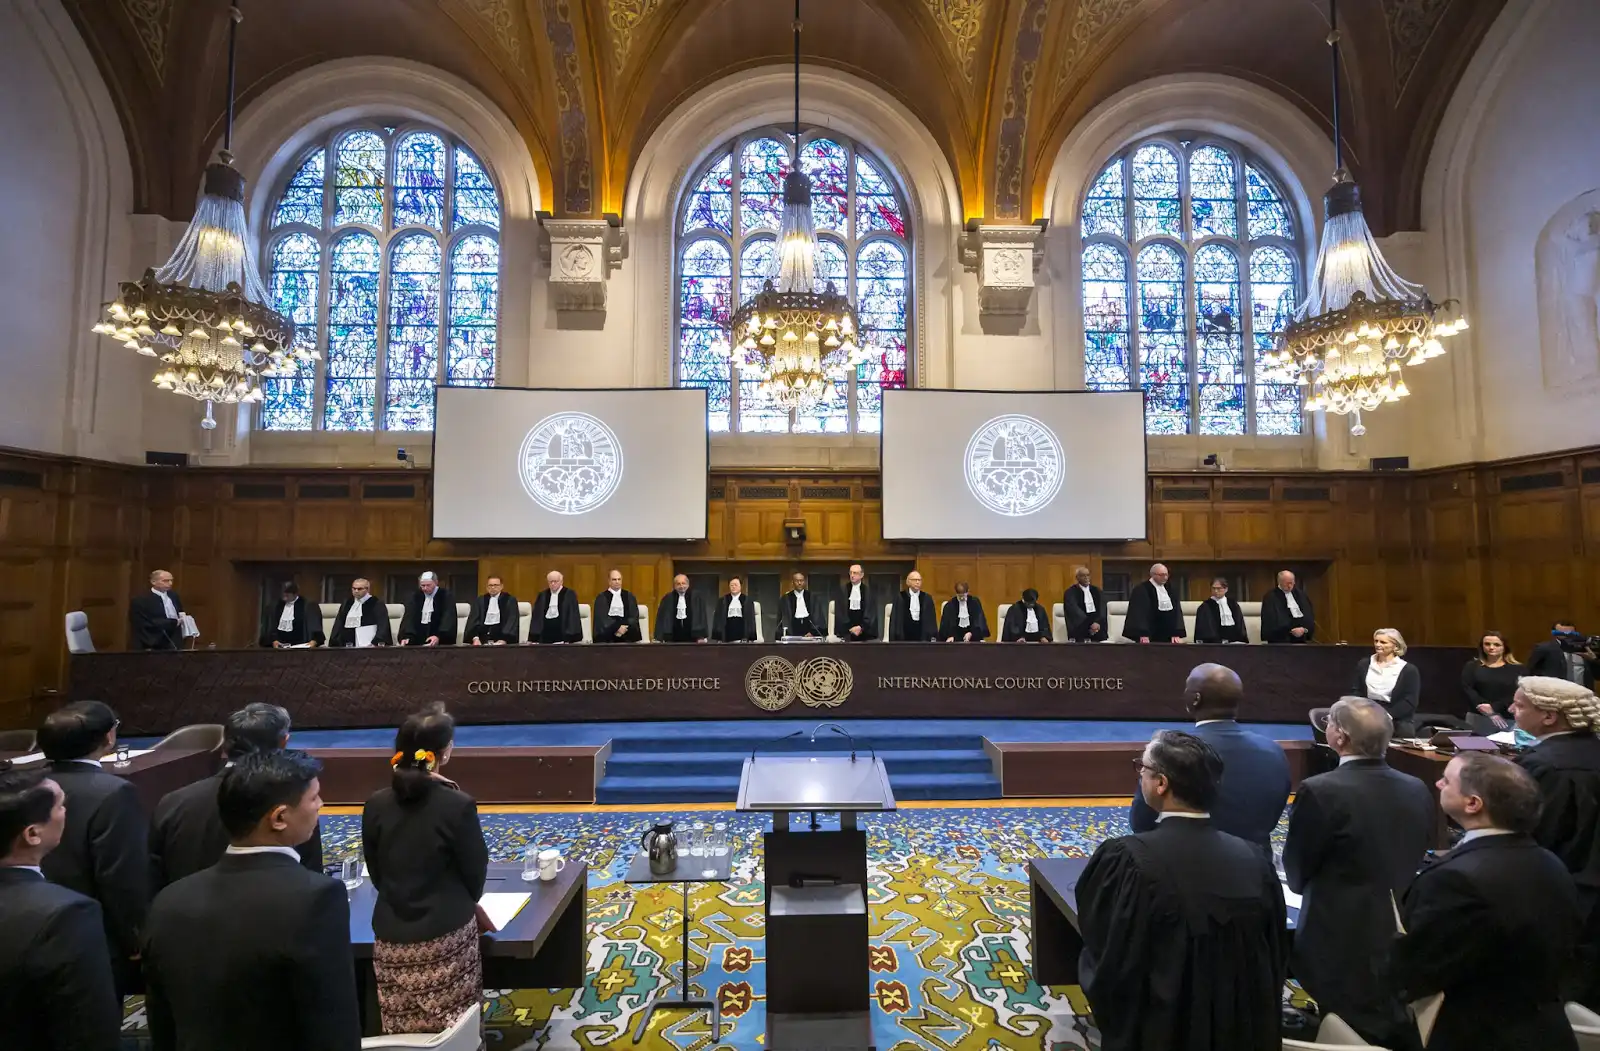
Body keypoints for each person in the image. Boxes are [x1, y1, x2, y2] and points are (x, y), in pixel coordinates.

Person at [1079, 730, 1287, 1051]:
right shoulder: (1255, 860)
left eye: (1142, 768)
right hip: (1241, 1029)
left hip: (1161, 1030)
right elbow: (1274, 954)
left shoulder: (1128, 859)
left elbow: (1110, 950)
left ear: (1161, 784)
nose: (1140, 776)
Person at [142, 750, 360, 1051]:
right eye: (314, 798)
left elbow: (161, 1019)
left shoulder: (168, 900)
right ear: (279, 818)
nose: (321, 805)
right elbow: (332, 1021)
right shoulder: (317, 898)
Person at [1391, 754, 1580, 1051]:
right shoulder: (1551, 863)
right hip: (1546, 1029)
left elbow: (1419, 968)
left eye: (1447, 781)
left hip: (1479, 1035)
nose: (1438, 784)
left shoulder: (1455, 880)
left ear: (1473, 803)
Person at [1283, 698, 1434, 1049]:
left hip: (1333, 932)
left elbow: (1298, 867)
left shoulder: (1320, 789)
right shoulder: (1416, 786)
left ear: (1340, 737)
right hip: (1397, 923)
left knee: (1339, 1019)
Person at [361, 707, 489, 1035]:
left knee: (400, 1031)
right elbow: (475, 873)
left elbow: (377, 873)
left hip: (390, 936)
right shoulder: (458, 804)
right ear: (444, 752)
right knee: (458, 1030)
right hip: (446, 935)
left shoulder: (375, 803)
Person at [0, 765, 123, 1051]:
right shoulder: (67, 915)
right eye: (60, 806)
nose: (65, 812)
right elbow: (89, 1033)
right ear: (32, 833)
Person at [36, 700, 148, 995]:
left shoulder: (24, 785)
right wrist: (136, 937)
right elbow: (121, 876)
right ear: (108, 737)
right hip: (91, 935)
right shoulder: (114, 793)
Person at [149, 702, 324, 889]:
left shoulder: (172, 803)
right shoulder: (294, 802)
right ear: (283, 742)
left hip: (181, 904)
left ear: (225, 744)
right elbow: (312, 879)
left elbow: (153, 878)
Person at [1129, 664, 1290, 854]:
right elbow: (1274, 815)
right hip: (1256, 865)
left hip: (1183, 863)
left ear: (1195, 699)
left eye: (1187, 687)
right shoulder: (1273, 750)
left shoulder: (1169, 751)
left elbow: (1141, 822)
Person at [1511, 676, 1600, 1009]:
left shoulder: (1545, 765)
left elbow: (1532, 836)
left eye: (1520, 705)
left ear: (1549, 716)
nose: (1511, 710)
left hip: (1560, 892)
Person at [1352, 628, 1421, 737]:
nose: (1378, 645)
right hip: (1368, 714)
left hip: (1396, 718)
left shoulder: (1409, 670)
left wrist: (1386, 716)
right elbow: (1356, 691)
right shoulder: (1364, 664)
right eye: (1376, 641)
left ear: (1396, 646)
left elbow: (1410, 701)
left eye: (1383, 642)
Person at [1461, 631, 1522, 733]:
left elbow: (1518, 692)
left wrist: (1494, 708)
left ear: (1505, 647)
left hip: (1506, 717)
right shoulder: (1472, 666)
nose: (1491, 647)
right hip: (1478, 716)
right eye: (1487, 644)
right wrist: (1482, 706)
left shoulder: (1517, 669)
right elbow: (1467, 689)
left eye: (1497, 645)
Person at [1122, 563, 1185, 643]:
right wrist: (1143, 633)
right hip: (1149, 636)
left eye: (1166, 575)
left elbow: (1176, 613)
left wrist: (1175, 633)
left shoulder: (1171, 589)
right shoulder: (1141, 590)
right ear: (1153, 575)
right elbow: (1138, 614)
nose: (1165, 577)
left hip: (1168, 636)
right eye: (1161, 575)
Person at [1528, 620, 1599, 689]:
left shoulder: (1586, 648)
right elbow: (1530, 672)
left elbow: (1597, 675)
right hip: (1555, 692)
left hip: (1582, 692)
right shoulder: (1543, 648)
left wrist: (1594, 660)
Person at [130, 568, 186, 650]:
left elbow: (180, 612)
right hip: (154, 641)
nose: (170, 583)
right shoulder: (141, 600)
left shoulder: (174, 596)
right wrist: (173, 623)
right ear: (153, 582)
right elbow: (143, 623)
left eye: (171, 580)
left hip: (175, 639)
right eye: (165, 581)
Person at [328, 578, 392, 647]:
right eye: (354, 588)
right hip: (347, 646)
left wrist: (376, 642)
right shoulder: (347, 603)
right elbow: (339, 624)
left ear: (367, 589)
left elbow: (383, 626)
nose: (356, 591)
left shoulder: (376, 604)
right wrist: (335, 641)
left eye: (359, 589)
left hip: (370, 646)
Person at [399, 572, 456, 647]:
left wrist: (439, 636)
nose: (425, 588)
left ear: (436, 583)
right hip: (417, 641)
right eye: (422, 586)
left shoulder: (445, 596)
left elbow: (448, 619)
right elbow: (409, 619)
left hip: (439, 642)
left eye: (428, 585)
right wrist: (407, 636)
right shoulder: (416, 597)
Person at [260, 580, 324, 648]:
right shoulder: (275, 606)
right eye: (283, 594)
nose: (284, 596)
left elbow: (315, 628)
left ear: (295, 594)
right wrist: (274, 641)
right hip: (279, 648)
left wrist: (314, 641)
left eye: (287, 594)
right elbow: (270, 628)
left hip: (301, 647)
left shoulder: (308, 606)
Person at [1260, 569, 1315, 643]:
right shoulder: (1270, 597)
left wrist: (1304, 629)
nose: (1289, 586)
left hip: (1301, 639)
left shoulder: (1301, 595)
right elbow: (1271, 621)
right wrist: (1289, 630)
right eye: (1287, 583)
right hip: (1280, 641)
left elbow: (1308, 615)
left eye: (1291, 583)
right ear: (1279, 582)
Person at [528, 571, 583, 644]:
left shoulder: (569, 594)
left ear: (561, 581)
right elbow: (537, 618)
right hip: (544, 638)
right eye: (550, 582)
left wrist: (570, 638)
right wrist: (534, 638)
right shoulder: (542, 595)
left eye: (555, 581)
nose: (553, 584)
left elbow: (572, 616)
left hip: (563, 637)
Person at [462, 576, 519, 646]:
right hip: (481, 641)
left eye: (496, 585)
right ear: (487, 587)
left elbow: (511, 621)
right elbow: (473, 622)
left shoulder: (510, 600)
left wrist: (503, 640)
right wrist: (475, 638)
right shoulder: (480, 601)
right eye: (490, 585)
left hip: (503, 641)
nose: (493, 588)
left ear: (501, 586)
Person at [655, 574, 710, 643]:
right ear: (674, 586)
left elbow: (701, 617)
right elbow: (662, 618)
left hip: (693, 637)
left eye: (683, 583)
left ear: (688, 584)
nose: (681, 586)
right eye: (678, 584)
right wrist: (660, 637)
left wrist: (701, 636)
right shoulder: (668, 598)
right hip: (673, 637)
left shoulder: (696, 597)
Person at [592, 570, 643, 643]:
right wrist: (617, 628)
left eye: (619, 579)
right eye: (614, 579)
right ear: (609, 581)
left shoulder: (629, 596)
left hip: (627, 635)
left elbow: (634, 616)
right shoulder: (601, 598)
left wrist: (624, 628)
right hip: (608, 637)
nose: (617, 582)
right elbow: (602, 619)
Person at [1194, 577, 1249, 644]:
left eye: (1219, 588)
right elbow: (1204, 630)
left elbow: (1240, 625)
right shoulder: (1205, 606)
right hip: (1215, 644)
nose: (1216, 591)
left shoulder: (1233, 605)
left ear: (1226, 589)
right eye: (1213, 588)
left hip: (1234, 643)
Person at [1062, 566, 1107, 642]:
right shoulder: (1070, 592)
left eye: (1088, 575)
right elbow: (1074, 611)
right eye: (1083, 575)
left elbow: (1102, 608)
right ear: (1077, 578)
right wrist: (1089, 624)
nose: (1086, 578)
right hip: (1080, 628)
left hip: (1097, 628)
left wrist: (1097, 622)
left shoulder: (1097, 591)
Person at [890, 570, 937, 642]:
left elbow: (931, 620)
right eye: (915, 580)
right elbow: (895, 619)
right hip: (904, 637)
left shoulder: (927, 598)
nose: (917, 582)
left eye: (919, 580)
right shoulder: (900, 597)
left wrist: (933, 636)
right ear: (908, 582)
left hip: (922, 636)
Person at [835, 564, 877, 641]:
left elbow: (870, 613)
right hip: (847, 631)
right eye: (850, 573)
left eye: (855, 573)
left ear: (862, 575)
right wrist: (849, 628)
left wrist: (861, 627)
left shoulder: (868, 592)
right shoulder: (842, 590)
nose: (852, 575)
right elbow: (840, 612)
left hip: (864, 632)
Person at [712, 577, 758, 642]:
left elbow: (751, 620)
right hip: (727, 631)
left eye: (736, 585)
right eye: (731, 585)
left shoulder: (747, 601)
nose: (733, 587)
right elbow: (718, 620)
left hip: (742, 631)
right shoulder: (722, 601)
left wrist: (751, 637)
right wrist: (718, 637)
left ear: (740, 586)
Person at [779, 571, 822, 638]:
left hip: (808, 629)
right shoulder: (786, 598)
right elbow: (783, 618)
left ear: (804, 582)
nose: (799, 583)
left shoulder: (812, 597)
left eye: (801, 580)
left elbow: (817, 617)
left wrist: (813, 632)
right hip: (793, 630)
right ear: (793, 582)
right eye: (797, 581)